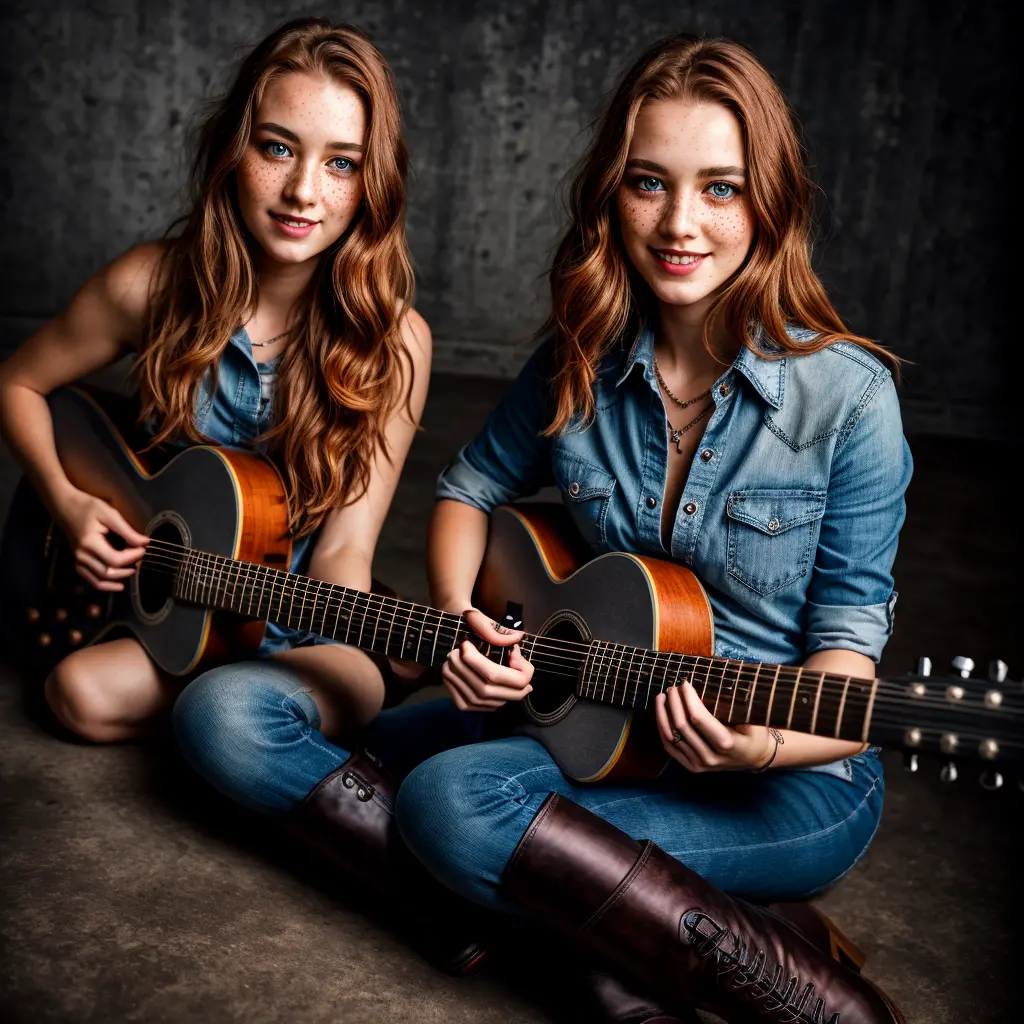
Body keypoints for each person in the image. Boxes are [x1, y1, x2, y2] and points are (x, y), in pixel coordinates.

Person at [173, 34, 911, 1023]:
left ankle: (760, 963)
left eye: (720, 189)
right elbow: (468, 491)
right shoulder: (581, 356)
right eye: (649, 183)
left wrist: (756, 746)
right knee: (223, 719)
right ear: (612, 192)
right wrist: (457, 623)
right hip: (577, 721)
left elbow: (848, 669)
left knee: (450, 801)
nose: (680, 222)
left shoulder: (851, 400)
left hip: (783, 779)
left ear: (768, 201)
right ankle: (608, 933)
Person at [0, 19, 430, 762]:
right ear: (235, 150)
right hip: (167, 596)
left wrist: (347, 623)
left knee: (353, 686)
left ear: (373, 182)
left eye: (342, 164)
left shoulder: (396, 344)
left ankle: (254, 710)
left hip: (295, 607)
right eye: (277, 148)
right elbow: (18, 381)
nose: (303, 190)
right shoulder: (151, 283)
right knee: (75, 695)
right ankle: (249, 723)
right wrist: (69, 505)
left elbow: (345, 553)